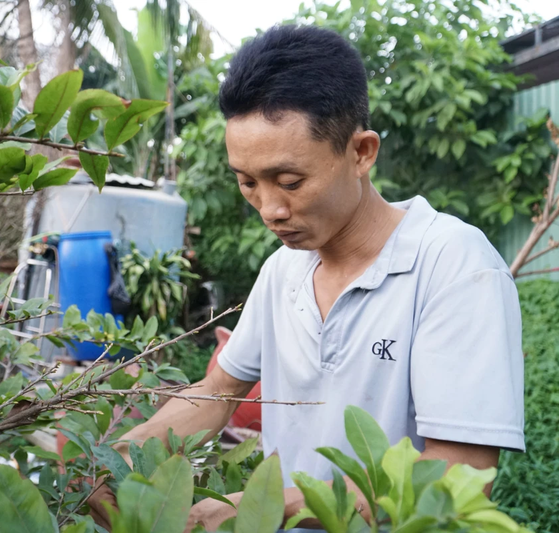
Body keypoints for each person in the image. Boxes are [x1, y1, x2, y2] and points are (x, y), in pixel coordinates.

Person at [88, 24, 525, 532]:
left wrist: (265, 505)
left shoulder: (453, 265)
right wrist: (119, 458)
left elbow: (461, 474)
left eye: (290, 181)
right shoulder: (284, 269)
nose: (270, 209)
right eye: (247, 182)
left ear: (361, 152)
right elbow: (219, 389)